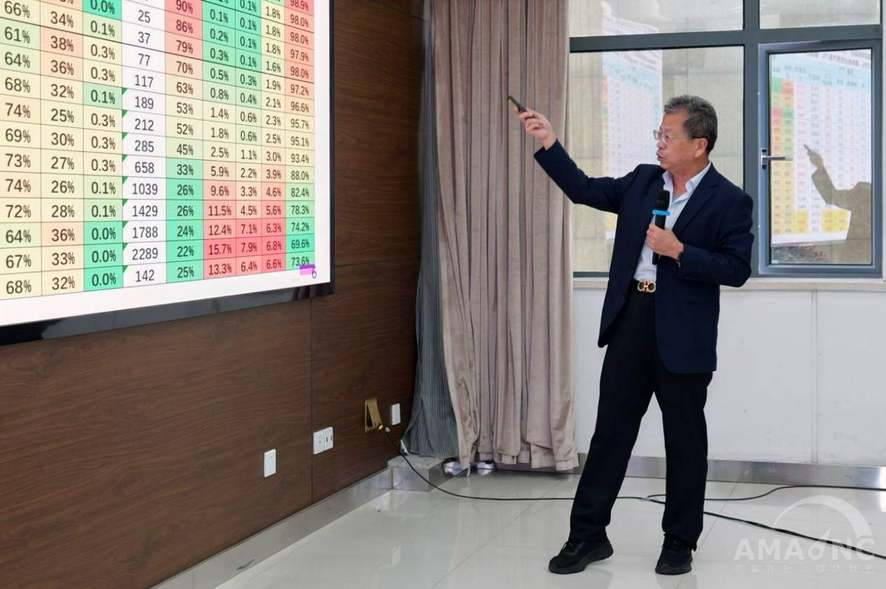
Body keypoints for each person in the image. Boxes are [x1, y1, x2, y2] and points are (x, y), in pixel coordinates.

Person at [516, 95, 753, 575]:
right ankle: (587, 536)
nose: (659, 143)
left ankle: (679, 541)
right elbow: (583, 189)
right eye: (658, 135)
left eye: (668, 136)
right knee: (611, 433)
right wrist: (549, 143)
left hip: (683, 333)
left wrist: (679, 250)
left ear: (699, 144)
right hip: (632, 319)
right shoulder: (644, 181)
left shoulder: (730, 200)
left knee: (684, 441)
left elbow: (736, 269)